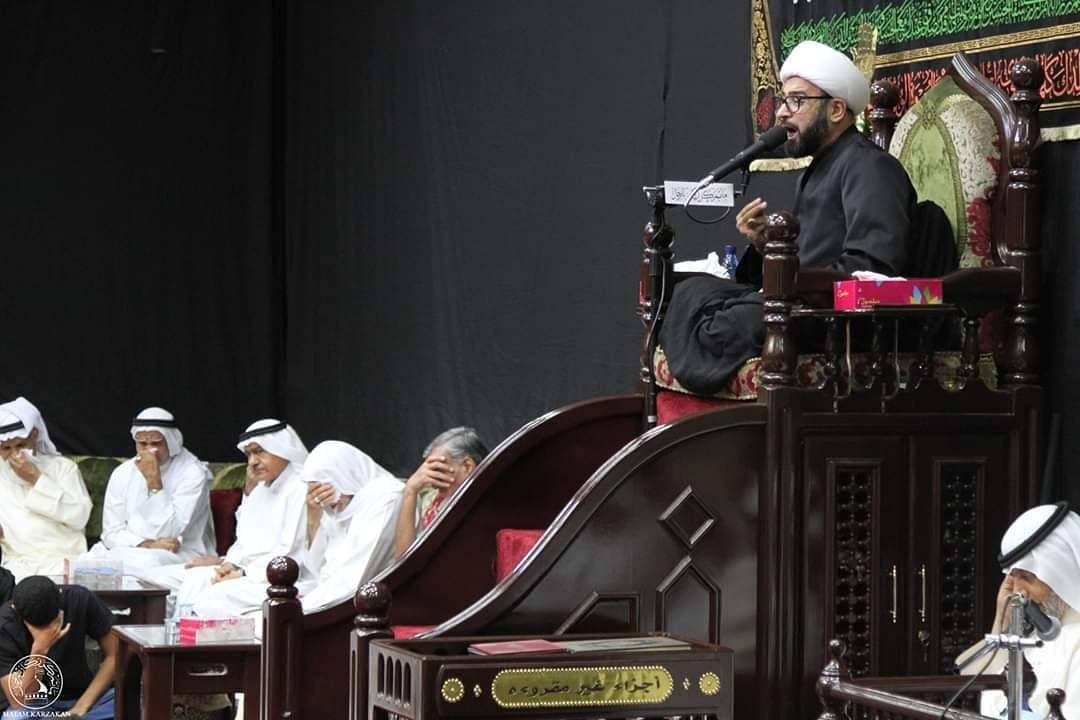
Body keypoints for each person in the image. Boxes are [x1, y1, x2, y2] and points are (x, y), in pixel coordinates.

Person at [659, 40, 946, 395]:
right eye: (784, 100)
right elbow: (809, 255)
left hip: (833, 318)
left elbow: (873, 268)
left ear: (836, 109)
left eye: (797, 100)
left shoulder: (870, 167)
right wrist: (766, 245)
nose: (781, 113)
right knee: (687, 292)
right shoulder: (819, 168)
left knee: (723, 321)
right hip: (799, 302)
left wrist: (796, 284)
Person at [194, 440, 403, 616]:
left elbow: (352, 581)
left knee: (249, 617)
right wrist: (314, 516)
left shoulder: (385, 499)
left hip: (358, 604)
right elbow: (317, 568)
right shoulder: (333, 501)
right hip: (318, 592)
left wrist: (298, 611)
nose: (328, 502)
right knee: (210, 601)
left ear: (345, 477)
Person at [141, 418, 309, 611]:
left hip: (278, 579)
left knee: (210, 593)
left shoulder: (300, 488)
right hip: (246, 570)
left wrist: (243, 572)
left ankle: (185, 627)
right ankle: (176, 627)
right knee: (175, 579)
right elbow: (244, 540)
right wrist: (230, 564)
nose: (252, 462)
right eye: (249, 454)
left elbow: (291, 554)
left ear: (283, 448)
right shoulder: (262, 488)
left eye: (259, 451)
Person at [960, 502, 1080, 719]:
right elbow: (978, 688)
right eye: (1012, 579)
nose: (1017, 592)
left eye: (1026, 578)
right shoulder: (1034, 634)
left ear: (1062, 574)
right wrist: (1002, 621)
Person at [82, 407, 216, 573]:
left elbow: (171, 531)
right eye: (143, 444)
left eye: (156, 443)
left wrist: (154, 482)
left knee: (144, 562)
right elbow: (111, 533)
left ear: (171, 442)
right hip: (132, 549)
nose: (149, 450)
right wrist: (146, 544)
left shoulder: (192, 472)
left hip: (182, 552)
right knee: (86, 562)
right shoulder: (122, 472)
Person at [0, 575, 118, 719]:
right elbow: (20, 700)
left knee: (134, 701)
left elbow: (115, 655)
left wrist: (81, 707)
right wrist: (40, 649)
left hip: (85, 696)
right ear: (15, 608)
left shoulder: (80, 598)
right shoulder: (4, 625)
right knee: (13, 718)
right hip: (40, 703)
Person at [0, 399, 92, 580]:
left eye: (20, 445)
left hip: (62, 563)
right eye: (6, 448)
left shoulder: (63, 468)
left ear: (34, 437)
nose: (14, 454)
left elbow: (80, 517)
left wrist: (37, 479)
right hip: (17, 565)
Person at [393, 427, 488, 558]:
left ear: (467, 466)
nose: (431, 479)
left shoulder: (486, 503)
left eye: (438, 469)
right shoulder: (435, 499)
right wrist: (410, 491)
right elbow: (403, 559)